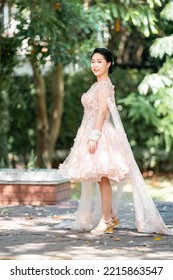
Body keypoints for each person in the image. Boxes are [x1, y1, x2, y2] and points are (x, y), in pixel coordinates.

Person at [58, 48, 173, 236]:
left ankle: (105, 220)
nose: (95, 65)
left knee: (103, 178)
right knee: (98, 177)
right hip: (89, 131)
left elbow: (103, 112)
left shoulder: (104, 85)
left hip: (100, 133)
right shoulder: (97, 85)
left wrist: (94, 136)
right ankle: (110, 215)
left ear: (109, 64)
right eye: (93, 61)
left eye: (99, 61)